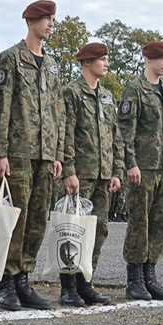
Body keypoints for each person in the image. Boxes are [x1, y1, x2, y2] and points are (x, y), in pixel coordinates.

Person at [0, 0, 65, 311]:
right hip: (18, 153)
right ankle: (6, 283)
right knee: (15, 220)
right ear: (31, 21)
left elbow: (57, 113)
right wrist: (0, 151)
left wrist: (58, 153)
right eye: (46, 19)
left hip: (45, 155)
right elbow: (1, 108)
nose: (50, 24)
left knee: (37, 220)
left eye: (52, 19)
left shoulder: (51, 66)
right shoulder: (10, 59)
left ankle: (24, 279)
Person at [60, 41, 123, 306]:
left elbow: (115, 135)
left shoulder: (107, 96)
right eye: (102, 59)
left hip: (102, 174)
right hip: (81, 174)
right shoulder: (71, 92)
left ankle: (86, 281)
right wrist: (69, 171)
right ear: (87, 62)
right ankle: (68, 286)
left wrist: (116, 170)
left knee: (99, 230)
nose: (107, 63)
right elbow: (66, 133)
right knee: (72, 231)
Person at [118, 40, 163, 301]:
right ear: (149, 59)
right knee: (139, 224)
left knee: (160, 223)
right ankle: (134, 279)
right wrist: (130, 163)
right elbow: (125, 131)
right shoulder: (135, 89)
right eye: (162, 58)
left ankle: (150, 274)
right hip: (142, 168)